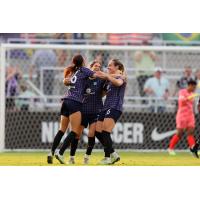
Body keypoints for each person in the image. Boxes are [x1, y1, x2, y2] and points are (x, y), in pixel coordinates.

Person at [47, 54, 103, 164]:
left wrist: (65, 81)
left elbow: (66, 80)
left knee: (62, 130)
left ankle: (51, 152)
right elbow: (95, 75)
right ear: (82, 62)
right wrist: (110, 76)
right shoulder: (84, 70)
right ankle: (60, 153)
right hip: (75, 102)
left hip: (66, 100)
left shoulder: (75, 71)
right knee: (75, 131)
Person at [68, 60, 105, 164]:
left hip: (96, 110)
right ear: (90, 67)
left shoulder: (101, 80)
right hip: (83, 110)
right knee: (77, 135)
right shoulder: (84, 78)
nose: (98, 67)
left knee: (91, 134)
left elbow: (104, 91)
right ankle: (71, 157)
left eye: (99, 66)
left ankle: (87, 156)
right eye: (95, 66)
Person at [94, 59, 127, 164]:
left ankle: (107, 158)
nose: (108, 67)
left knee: (105, 132)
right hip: (105, 107)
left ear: (117, 67)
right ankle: (113, 154)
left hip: (114, 107)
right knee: (97, 131)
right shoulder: (108, 79)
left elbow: (118, 83)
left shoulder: (120, 76)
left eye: (110, 65)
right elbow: (102, 94)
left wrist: (107, 76)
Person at [168, 79, 199, 158]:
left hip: (190, 115)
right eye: (193, 87)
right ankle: (170, 148)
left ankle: (193, 149)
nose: (194, 89)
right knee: (180, 133)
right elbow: (182, 101)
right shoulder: (182, 92)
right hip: (182, 115)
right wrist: (190, 96)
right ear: (190, 85)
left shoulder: (193, 93)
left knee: (191, 132)